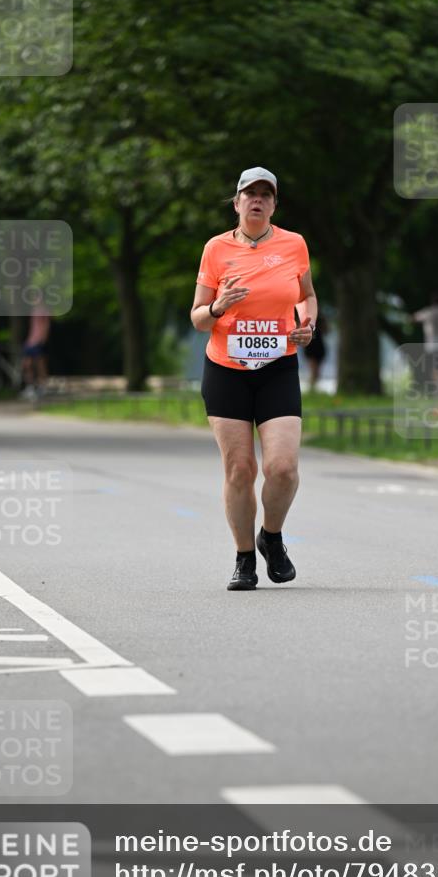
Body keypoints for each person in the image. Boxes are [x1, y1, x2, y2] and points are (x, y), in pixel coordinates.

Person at [191, 166, 318, 591]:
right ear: (237, 203)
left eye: (266, 194)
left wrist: (307, 323)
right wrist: (219, 306)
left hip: (277, 367)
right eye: (250, 194)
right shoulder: (216, 249)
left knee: (282, 468)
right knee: (240, 469)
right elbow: (198, 318)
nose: (258, 200)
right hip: (226, 371)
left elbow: (306, 296)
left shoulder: (294, 244)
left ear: (274, 205)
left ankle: (271, 537)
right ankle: (245, 557)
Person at [20, 293, 51, 399]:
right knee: (26, 365)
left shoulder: (44, 311)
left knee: (40, 365)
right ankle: (30, 387)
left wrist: (42, 340)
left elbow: (46, 326)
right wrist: (28, 340)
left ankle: (43, 387)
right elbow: (32, 328)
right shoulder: (34, 311)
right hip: (30, 342)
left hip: (38, 341)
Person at [303, 312, 328, 389]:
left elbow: (326, 330)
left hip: (316, 345)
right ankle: (312, 385)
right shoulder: (306, 318)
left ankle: (313, 385)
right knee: (314, 369)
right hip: (312, 346)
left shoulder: (319, 319)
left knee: (316, 370)